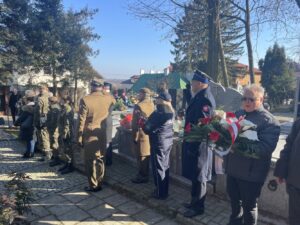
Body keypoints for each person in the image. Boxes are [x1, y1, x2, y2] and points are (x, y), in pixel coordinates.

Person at [225, 84, 280, 225]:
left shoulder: (270, 121)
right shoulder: (237, 114)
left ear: (261, 99)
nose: (247, 102)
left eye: (251, 99)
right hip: (233, 170)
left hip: (251, 174)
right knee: (234, 205)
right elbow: (227, 136)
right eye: (244, 98)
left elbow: (264, 148)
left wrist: (237, 146)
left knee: (249, 208)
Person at [181, 70, 216, 218]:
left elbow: (203, 125)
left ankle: (198, 207)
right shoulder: (200, 96)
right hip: (194, 143)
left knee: (200, 177)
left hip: (199, 145)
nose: (191, 84)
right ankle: (193, 202)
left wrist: (194, 145)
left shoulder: (205, 98)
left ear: (201, 83)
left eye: (193, 82)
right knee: (195, 176)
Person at [77, 77, 116, 192]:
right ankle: (100, 181)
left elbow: (81, 121)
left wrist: (79, 137)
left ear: (92, 86)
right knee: (100, 159)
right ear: (101, 87)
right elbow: (113, 100)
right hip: (102, 132)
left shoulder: (85, 99)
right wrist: (103, 91)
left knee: (89, 161)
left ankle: (93, 185)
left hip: (90, 133)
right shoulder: (108, 98)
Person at [143, 91, 174, 200]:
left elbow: (147, 129)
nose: (155, 100)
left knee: (158, 168)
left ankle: (160, 193)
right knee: (165, 167)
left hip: (158, 142)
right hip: (168, 141)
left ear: (161, 100)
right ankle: (164, 190)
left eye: (157, 98)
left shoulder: (158, 112)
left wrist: (144, 122)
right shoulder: (171, 111)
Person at [274, 120, 300, 225]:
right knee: (294, 219)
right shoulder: (298, 123)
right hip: (295, 183)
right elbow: (288, 146)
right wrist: (281, 171)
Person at [131, 88, 155, 184]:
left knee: (141, 157)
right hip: (151, 134)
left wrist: (134, 137)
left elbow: (135, 124)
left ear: (142, 94)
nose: (138, 95)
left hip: (142, 134)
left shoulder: (138, 106)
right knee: (147, 155)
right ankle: (145, 174)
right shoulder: (153, 104)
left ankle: (142, 176)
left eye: (139, 94)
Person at [14, 90, 35, 158]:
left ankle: (29, 153)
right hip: (33, 124)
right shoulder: (36, 105)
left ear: (27, 99)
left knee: (28, 140)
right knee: (32, 139)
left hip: (27, 125)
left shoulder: (27, 107)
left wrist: (16, 123)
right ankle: (31, 152)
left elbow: (22, 117)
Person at [33, 84, 51, 161]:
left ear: (46, 89)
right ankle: (44, 154)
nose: (41, 90)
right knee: (40, 137)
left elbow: (41, 111)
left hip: (43, 119)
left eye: (43, 89)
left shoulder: (46, 98)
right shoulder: (38, 97)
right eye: (40, 88)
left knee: (44, 137)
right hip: (39, 119)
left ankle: (47, 155)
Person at [58, 96, 75, 174]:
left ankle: (70, 166)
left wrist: (64, 133)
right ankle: (67, 164)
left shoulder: (68, 109)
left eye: (62, 100)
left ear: (67, 101)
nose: (60, 101)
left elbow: (67, 123)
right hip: (63, 131)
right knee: (65, 149)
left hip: (67, 133)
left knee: (68, 149)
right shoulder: (64, 108)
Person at [47, 96, 62, 167]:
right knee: (53, 143)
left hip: (54, 130)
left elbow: (54, 121)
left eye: (48, 101)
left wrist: (49, 126)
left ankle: (57, 159)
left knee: (54, 144)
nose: (48, 103)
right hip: (52, 129)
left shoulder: (54, 109)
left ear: (51, 102)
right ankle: (54, 156)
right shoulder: (53, 108)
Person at [103, 82, 115, 166]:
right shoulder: (109, 97)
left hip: (106, 120)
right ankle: (107, 159)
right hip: (107, 120)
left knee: (107, 141)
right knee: (107, 140)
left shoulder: (108, 97)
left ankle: (108, 160)